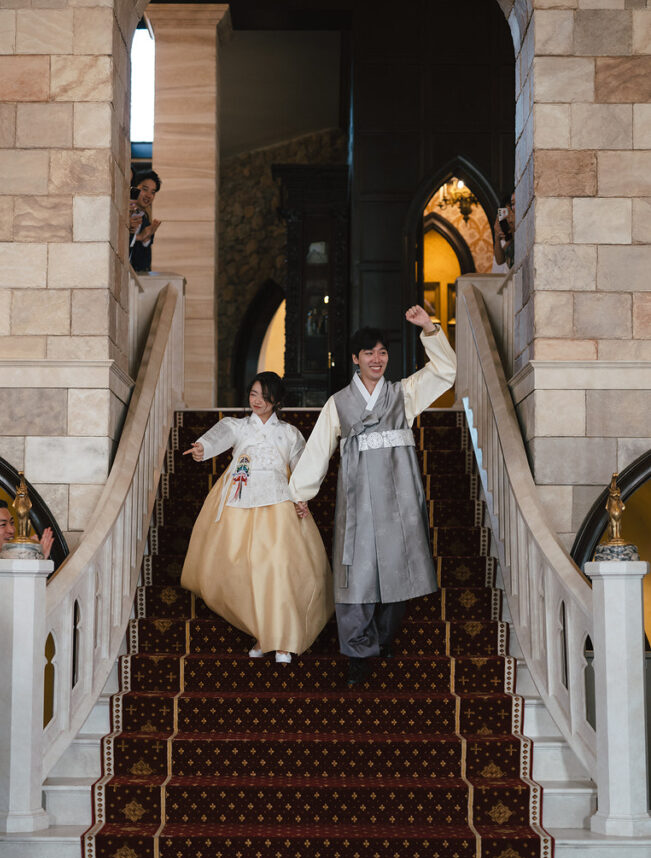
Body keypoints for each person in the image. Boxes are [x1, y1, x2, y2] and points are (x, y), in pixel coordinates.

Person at [289, 306, 457, 686]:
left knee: (401, 571)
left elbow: (446, 372)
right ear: (355, 359)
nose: (376, 359)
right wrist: (301, 492)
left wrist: (429, 328)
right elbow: (318, 448)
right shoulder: (339, 403)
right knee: (356, 574)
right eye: (368, 353)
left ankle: (380, 638)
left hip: (400, 499)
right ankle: (357, 651)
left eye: (382, 352)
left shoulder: (403, 395)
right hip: (358, 498)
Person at [180, 372, 333, 664]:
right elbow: (220, 436)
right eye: (253, 394)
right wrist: (203, 447)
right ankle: (265, 634)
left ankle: (283, 640)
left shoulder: (288, 433)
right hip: (239, 505)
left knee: (277, 569)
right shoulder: (238, 427)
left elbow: (302, 467)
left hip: (278, 507)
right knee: (245, 571)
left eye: (263, 395)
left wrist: (302, 497)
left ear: (276, 399)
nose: (257, 400)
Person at [0, 498, 53, 824]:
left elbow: (30, 614)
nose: (10, 530)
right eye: (1, 524)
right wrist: (27, 568)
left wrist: (34, 568)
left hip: (12, 669)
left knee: (8, 753)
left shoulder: (11, 567)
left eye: (11, 523)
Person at [129, 169, 162, 272]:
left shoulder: (145, 221)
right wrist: (139, 237)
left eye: (153, 192)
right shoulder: (122, 211)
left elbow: (143, 266)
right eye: (145, 189)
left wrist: (145, 240)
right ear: (134, 188)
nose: (149, 195)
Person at [492, 191, 515, 272]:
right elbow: (500, 260)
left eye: (512, 206)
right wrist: (497, 238)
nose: (508, 216)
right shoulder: (510, 241)